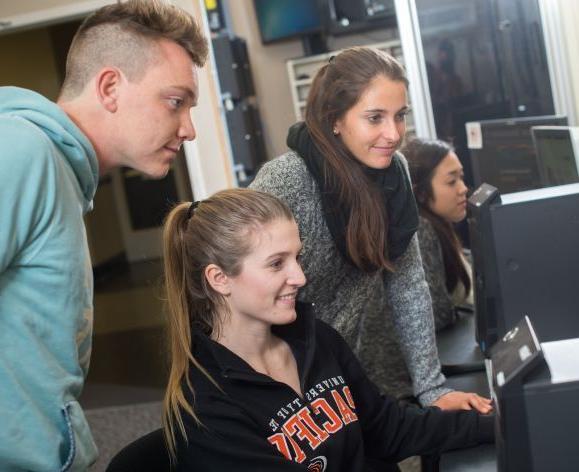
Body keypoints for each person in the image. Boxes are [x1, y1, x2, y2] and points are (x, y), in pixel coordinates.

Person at [0, 1, 207, 470]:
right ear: (110, 87)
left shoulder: (61, 173)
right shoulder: (23, 151)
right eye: (175, 102)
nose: (189, 128)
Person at [161, 188, 493, 471]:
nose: (300, 278)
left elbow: (387, 429)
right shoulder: (204, 408)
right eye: (277, 264)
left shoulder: (315, 339)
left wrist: (494, 423)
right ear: (219, 279)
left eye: (297, 258)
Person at [250, 47, 491, 413]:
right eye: (375, 117)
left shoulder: (394, 175)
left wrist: (432, 389)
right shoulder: (287, 180)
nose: (392, 134)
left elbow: (407, 283)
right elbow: (239, 294)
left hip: (336, 366)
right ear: (335, 119)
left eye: (400, 116)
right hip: (269, 379)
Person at [404, 138, 473, 332]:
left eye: (461, 177)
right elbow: (439, 314)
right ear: (421, 193)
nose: (463, 189)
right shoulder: (421, 230)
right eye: (452, 181)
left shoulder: (439, 225)